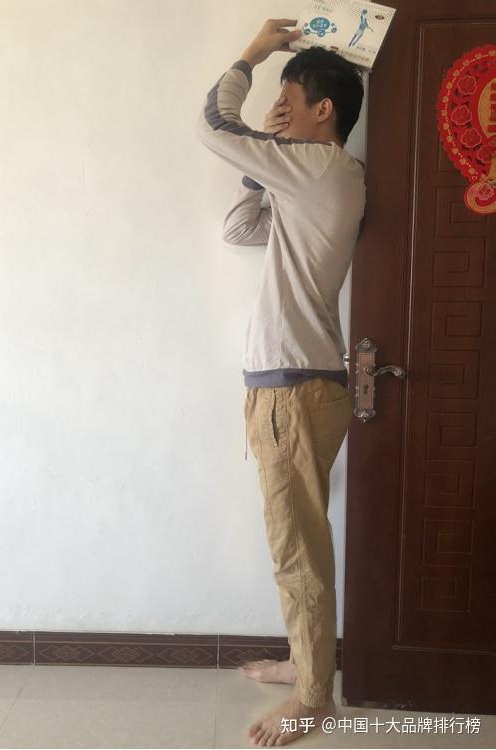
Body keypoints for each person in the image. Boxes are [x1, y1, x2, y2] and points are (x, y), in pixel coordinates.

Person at [196, 19, 365, 747]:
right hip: (295, 385)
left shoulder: (320, 167)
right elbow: (240, 229)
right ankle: (307, 663)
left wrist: (254, 53)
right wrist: (258, 165)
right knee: (299, 539)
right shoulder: (316, 181)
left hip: (293, 390)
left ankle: (314, 697)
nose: (279, 112)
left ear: (324, 111)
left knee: (297, 549)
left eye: (288, 101)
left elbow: (214, 125)